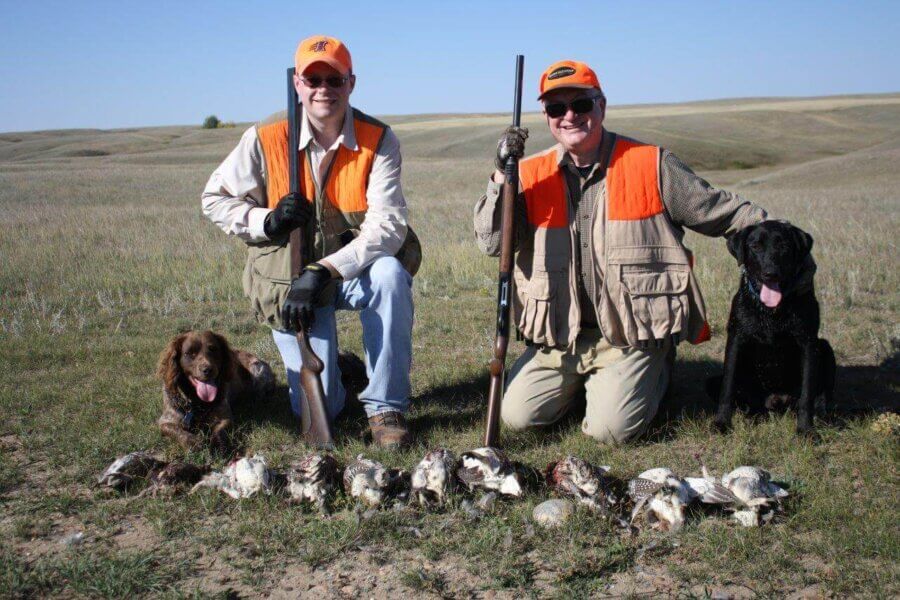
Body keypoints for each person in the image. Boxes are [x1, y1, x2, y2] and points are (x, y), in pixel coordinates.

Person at [474, 59, 767, 444]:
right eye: (557, 108)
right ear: (546, 117)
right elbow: (493, 243)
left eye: (581, 104)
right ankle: (594, 386)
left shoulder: (652, 164)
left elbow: (721, 211)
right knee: (516, 418)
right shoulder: (528, 174)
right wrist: (501, 174)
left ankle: (655, 371)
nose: (569, 116)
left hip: (631, 336)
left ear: (602, 106)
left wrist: (778, 240)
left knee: (610, 432)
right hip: (559, 338)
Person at [202, 35, 421, 448]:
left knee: (390, 274)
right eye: (313, 79)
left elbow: (388, 226)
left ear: (351, 83)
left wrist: (325, 270)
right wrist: (268, 221)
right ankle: (343, 374)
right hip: (290, 283)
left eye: (334, 80)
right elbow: (214, 199)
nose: (324, 89)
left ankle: (385, 408)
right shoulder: (266, 136)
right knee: (323, 409)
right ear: (298, 84)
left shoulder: (378, 139)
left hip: (349, 272)